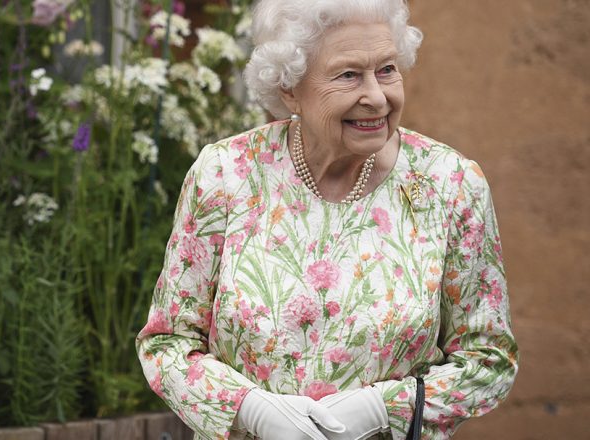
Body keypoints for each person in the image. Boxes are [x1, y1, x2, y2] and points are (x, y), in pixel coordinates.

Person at [135, 0, 519, 439]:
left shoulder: (449, 184)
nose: (376, 96)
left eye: (388, 69)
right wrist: (250, 410)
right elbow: (167, 344)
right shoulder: (226, 173)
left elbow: (488, 359)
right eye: (348, 75)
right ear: (289, 88)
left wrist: (383, 408)